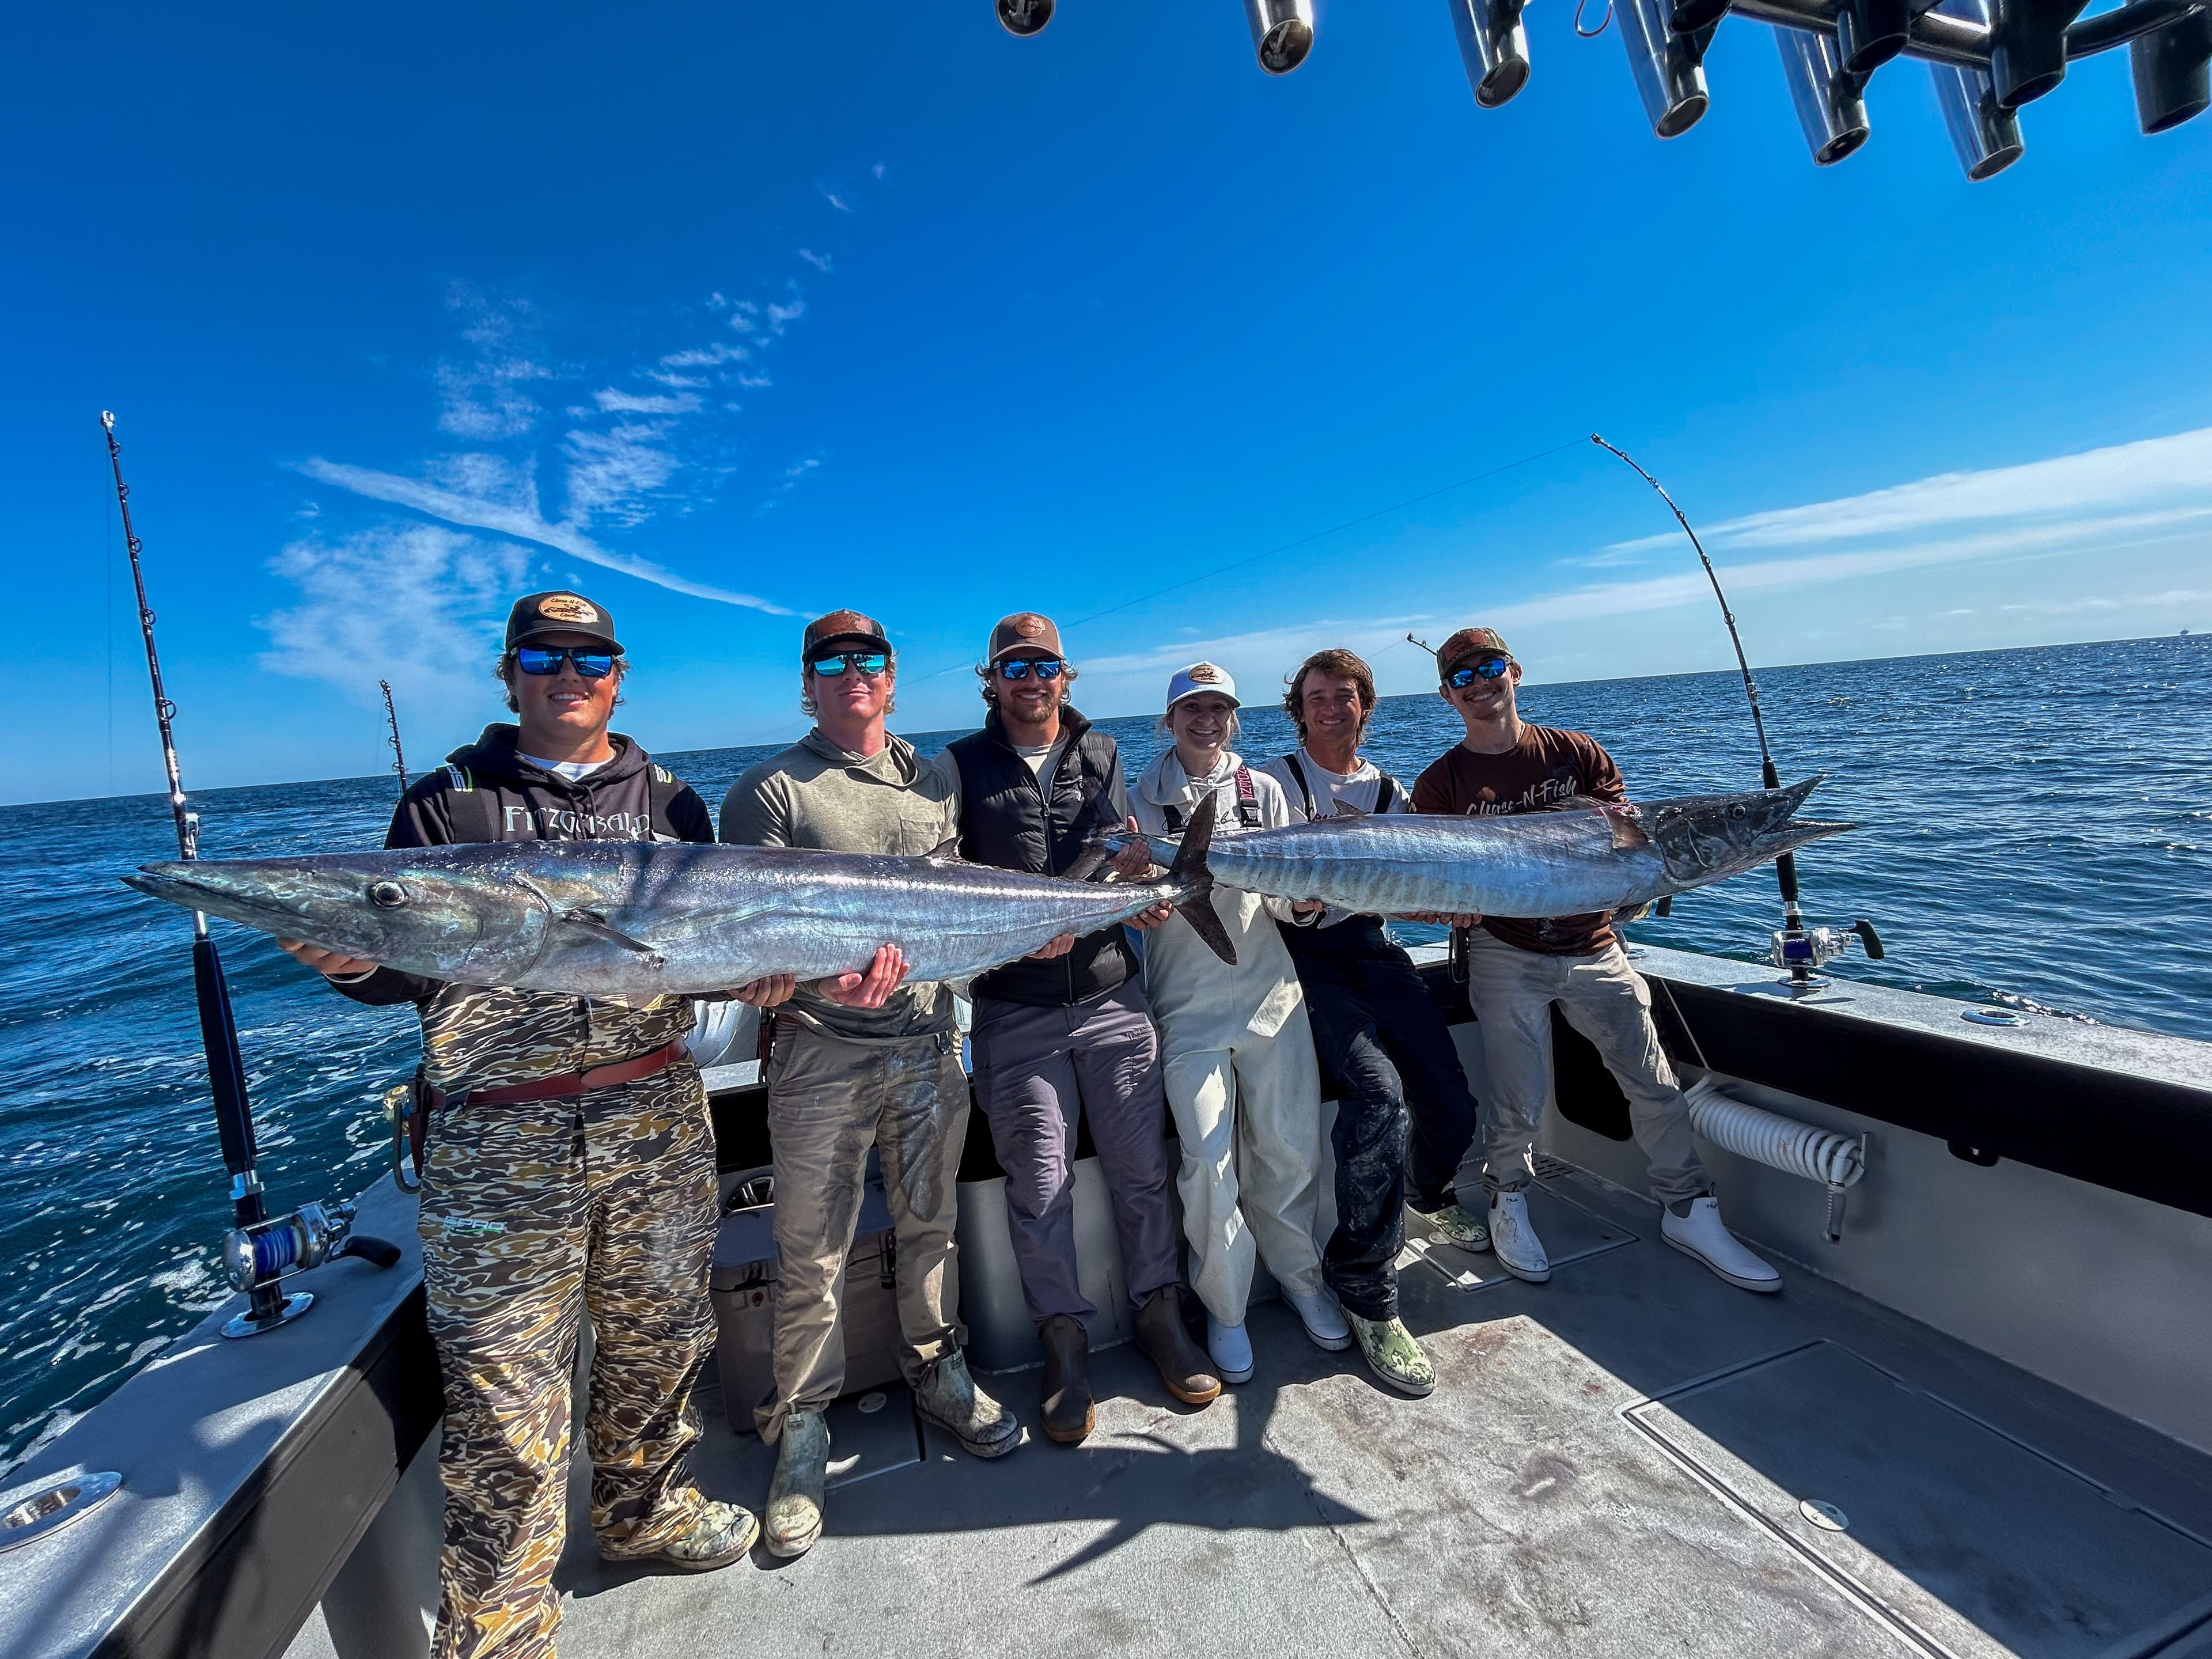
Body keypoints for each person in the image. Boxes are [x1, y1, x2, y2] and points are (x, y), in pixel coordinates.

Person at [279, 590, 777, 1659]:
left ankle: (646, 1514)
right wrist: (355, 962)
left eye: (591, 657)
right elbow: (399, 969)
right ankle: (501, 1625)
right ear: (509, 674)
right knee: (507, 1393)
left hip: (654, 1120)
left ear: (619, 673)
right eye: (545, 656)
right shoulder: (446, 807)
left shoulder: (676, 805)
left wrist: (784, 975)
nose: (570, 674)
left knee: (663, 1346)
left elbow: (733, 951)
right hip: (497, 1141)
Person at [720, 609, 1019, 1560]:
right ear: (808, 683)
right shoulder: (768, 792)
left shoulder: (935, 779)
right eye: (832, 660)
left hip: (931, 1038)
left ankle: (938, 1371)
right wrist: (817, 981)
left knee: (933, 1222)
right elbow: (753, 939)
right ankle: (800, 1428)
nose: (853, 672)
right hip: (820, 1052)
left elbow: (957, 904)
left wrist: (1031, 930)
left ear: (893, 678)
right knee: (810, 1245)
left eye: (870, 658)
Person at [1411, 627, 1779, 1293]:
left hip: (1595, 945)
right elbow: (1430, 876)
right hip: (1505, 950)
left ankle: (1689, 1210)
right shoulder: (1441, 782)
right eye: (1463, 678)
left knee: (1654, 1084)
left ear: (1514, 671)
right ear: (1447, 695)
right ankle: (1509, 1198)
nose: (1480, 684)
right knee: (1518, 1098)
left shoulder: (1577, 753)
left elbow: (1627, 849)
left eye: (1490, 667)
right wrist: (1443, 907)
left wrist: (1638, 895)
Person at [935, 612, 1221, 1445]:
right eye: (1015, 667)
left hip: (1109, 996)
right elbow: (944, 879)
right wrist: (1018, 931)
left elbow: (1117, 846)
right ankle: (1063, 1342)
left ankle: (1161, 1317)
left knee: (1141, 1169)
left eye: (1046, 666)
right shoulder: (957, 765)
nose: (1032, 680)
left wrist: (1141, 877)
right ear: (991, 679)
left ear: (1067, 675)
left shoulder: (1101, 751)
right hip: (1013, 1009)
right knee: (1040, 1184)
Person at [1260, 647, 1486, 1398]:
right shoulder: (1274, 785)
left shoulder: (1390, 790)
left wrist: (1448, 902)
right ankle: (1364, 1287)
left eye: (1345, 696)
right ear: (1300, 708)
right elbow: (1259, 883)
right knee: (1377, 1095)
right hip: (1305, 963)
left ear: (1366, 706)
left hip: (1375, 952)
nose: (1332, 708)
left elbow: (1408, 886)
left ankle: (1427, 1189)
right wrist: (1300, 900)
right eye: (1318, 696)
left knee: (1452, 1101)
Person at [1128, 662, 1349, 1384]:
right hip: (1185, 1007)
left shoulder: (1269, 791)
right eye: (1192, 708)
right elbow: (1128, 910)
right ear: (1169, 720)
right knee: (1207, 1163)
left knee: (1290, 1149)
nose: (1206, 720)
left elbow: (1290, 901)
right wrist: (1142, 902)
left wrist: (1309, 903)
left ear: (1235, 717)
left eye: (1218, 708)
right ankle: (1225, 1309)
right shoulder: (1138, 801)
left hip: (1270, 998)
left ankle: (1302, 1279)